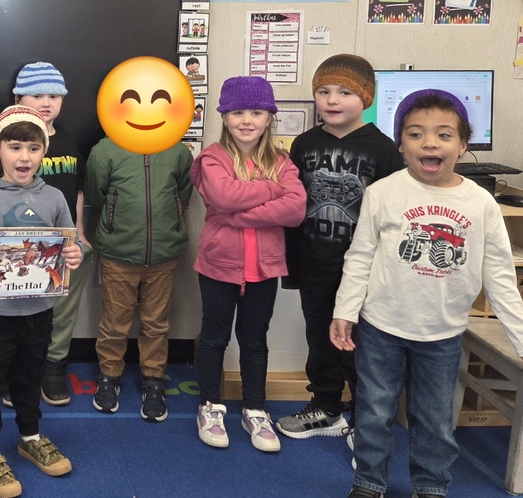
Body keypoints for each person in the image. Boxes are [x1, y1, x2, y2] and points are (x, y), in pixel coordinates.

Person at [333, 89, 523, 498]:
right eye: (416, 134)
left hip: (443, 333)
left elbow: (500, 276)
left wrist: (521, 339)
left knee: (435, 419)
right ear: (400, 143)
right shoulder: (382, 192)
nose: (430, 143)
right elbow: (360, 256)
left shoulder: (481, 203)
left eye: (443, 134)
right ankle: (368, 481)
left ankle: (431, 486)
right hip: (382, 326)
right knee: (374, 411)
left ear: (462, 144)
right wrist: (345, 311)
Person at [276, 54, 403, 445]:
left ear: (364, 97)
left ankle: (366, 419)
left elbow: (391, 216)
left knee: (360, 347)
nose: (332, 100)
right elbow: (293, 204)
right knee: (319, 338)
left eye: (345, 92)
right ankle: (327, 407)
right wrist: (293, 266)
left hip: (361, 271)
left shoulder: (384, 149)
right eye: (323, 91)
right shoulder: (304, 143)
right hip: (315, 262)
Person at [0, 105, 81, 498]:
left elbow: (69, 244)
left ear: (44, 151)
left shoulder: (56, 197)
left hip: (39, 311)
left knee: (29, 378)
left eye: (32, 147)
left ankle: (29, 435)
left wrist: (76, 255)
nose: (24, 157)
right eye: (14, 147)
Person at [190, 76, 307, 453]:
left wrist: (241, 214)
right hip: (218, 265)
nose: (246, 120)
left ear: (269, 117)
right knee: (215, 337)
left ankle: (255, 408)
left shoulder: (281, 161)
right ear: (224, 116)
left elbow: (295, 209)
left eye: (256, 112)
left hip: (264, 268)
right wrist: (271, 189)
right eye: (237, 112)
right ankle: (210, 405)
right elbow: (223, 195)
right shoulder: (213, 158)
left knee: (255, 340)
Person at [85, 123, 193, 422]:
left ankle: (154, 379)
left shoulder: (178, 150)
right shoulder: (105, 150)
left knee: (156, 321)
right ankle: (109, 376)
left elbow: (183, 193)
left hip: (164, 254)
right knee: (115, 321)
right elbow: (97, 192)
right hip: (120, 253)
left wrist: (170, 224)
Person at [12, 62, 93, 406]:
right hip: (21, 246)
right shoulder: (10, 141)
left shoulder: (71, 142)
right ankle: (16, 372)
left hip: (64, 245)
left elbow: (76, 191)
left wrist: (81, 234)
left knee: (61, 311)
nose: (46, 102)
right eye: (37, 95)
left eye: (54, 95)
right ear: (18, 98)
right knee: (19, 312)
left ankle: (54, 367)